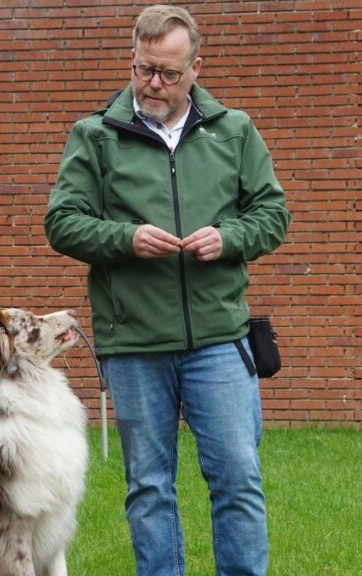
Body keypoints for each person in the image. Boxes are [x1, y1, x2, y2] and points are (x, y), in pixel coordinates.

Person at [44, 5, 290, 576]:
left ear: (196, 67)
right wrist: (126, 238)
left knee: (238, 480)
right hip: (133, 344)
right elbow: (62, 221)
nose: (154, 83)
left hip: (219, 341)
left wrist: (228, 239)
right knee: (149, 489)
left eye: (170, 73)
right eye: (144, 69)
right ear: (133, 59)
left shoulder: (235, 130)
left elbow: (273, 214)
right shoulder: (95, 136)